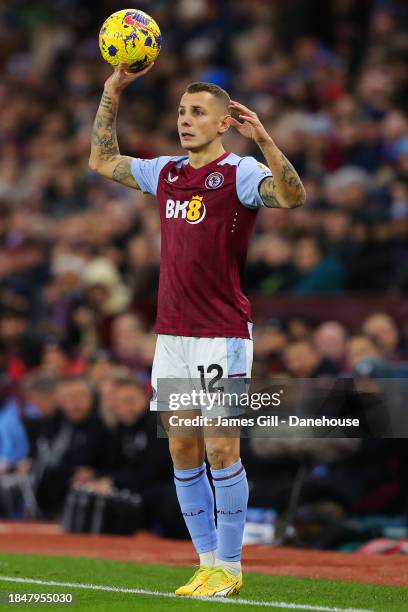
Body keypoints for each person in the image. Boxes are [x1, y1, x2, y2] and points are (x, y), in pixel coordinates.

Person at [89, 62, 305, 597]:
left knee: (221, 450)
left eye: (198, 113)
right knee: (183, 449)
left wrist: (267, 142)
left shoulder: (241, 173)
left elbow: (294, 196)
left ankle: (230, 568)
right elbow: (101, 159)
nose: (186, 121)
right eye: (183, 111)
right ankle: (206, 563)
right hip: (173, 336)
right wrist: (112, 90)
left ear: (224, 123)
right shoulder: (165, 173)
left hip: (221, 333)